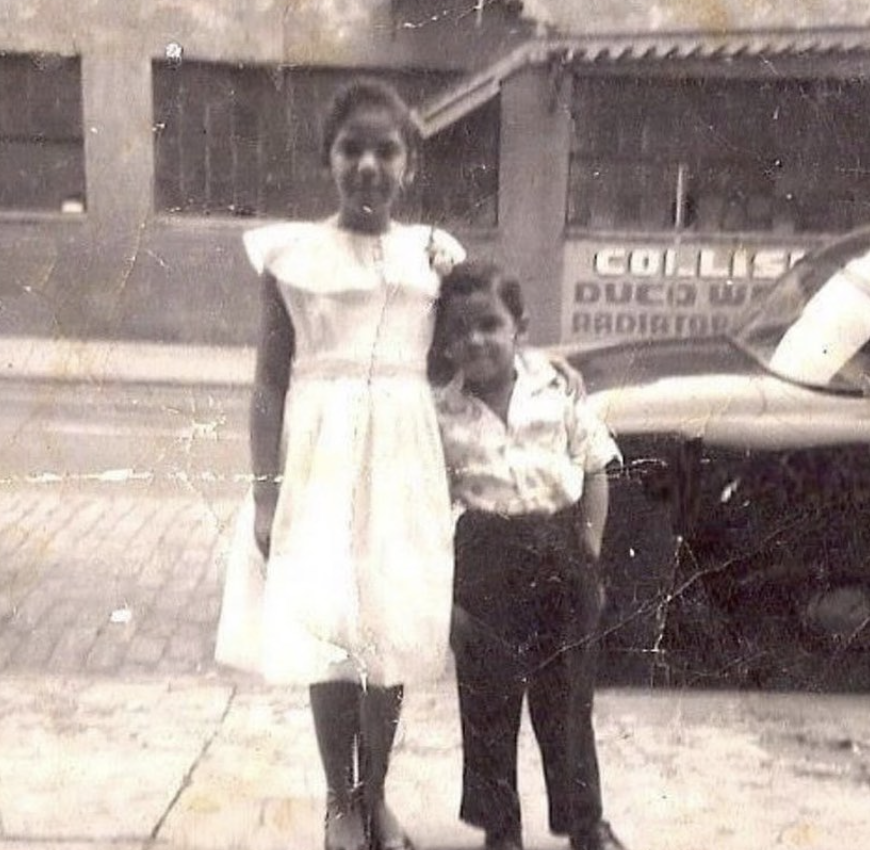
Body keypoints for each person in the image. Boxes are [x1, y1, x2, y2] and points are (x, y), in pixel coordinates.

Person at [214, 78, 465, 850]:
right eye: (351, 148)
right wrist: (265, 496)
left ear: (409, 164)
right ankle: (338, 802)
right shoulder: (292, 257)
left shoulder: (433, 257)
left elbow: (471, 356)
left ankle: (376, 793)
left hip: (401, 461)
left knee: (385, 631)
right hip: (320, 459)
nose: (368, 165)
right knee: (331, 630)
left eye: (385, 149)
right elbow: (267, 381)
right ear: (328, 157)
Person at [432, 261, 627, 850]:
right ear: (443, 344)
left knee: (568, 702)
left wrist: (588, 552)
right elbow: (433, 507)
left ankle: (585, 822)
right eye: (460, 331)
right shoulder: (439, 415)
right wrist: (448, 597)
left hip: (560, 551)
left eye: (490, 324)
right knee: (488, 705)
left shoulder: (556, 391)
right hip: (485, 559)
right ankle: (501, 829)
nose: (476, 341)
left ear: (519, 325)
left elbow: (597, 465)